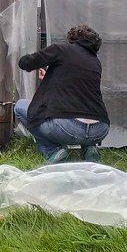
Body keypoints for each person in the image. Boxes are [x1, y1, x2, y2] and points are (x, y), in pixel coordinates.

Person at [13, 24, 110, 163]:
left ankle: (53, 151)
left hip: (68, 129)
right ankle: (90, 149)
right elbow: (74, 84)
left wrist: (24, 56)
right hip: (100, 129)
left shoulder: (61, 49)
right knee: (85, 109)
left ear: (72, 38)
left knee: (20, 106)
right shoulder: (95, 62)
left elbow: (26, 63)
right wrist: (50, 75)